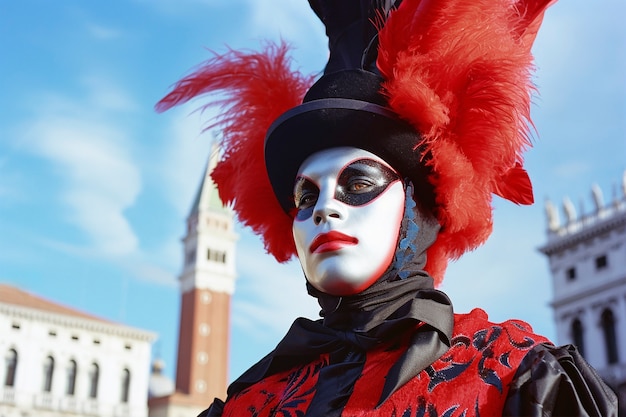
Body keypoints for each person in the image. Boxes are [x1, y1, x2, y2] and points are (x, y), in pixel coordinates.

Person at [157, 0, 618, 415]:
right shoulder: (245, 404)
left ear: (419, 207)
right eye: (305, 196)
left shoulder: (519, 379)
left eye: (357, 183)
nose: (324, 210)